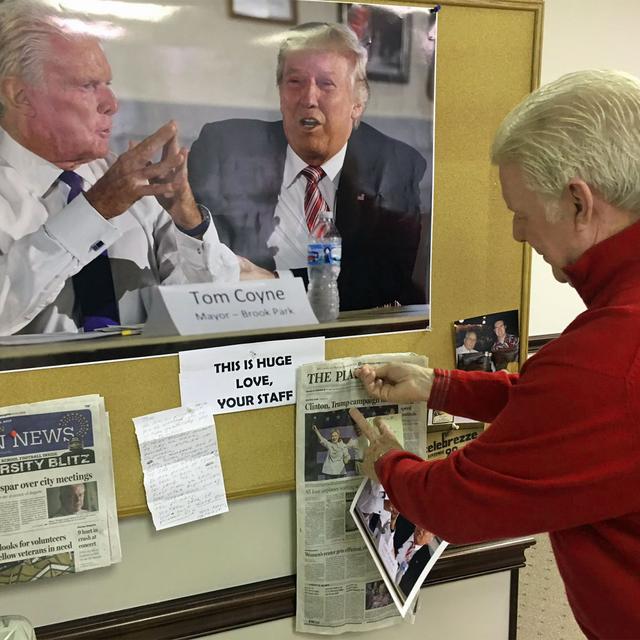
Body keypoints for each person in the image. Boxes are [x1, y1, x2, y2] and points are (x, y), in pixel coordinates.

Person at [348, 69, 640, 638]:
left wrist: (387, 460)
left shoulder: (609, 354)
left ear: (579, 203)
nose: (515, 232)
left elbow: (454, 504)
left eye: (522, 212)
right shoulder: (606, 356)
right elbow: (573, 412)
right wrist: (440, 385)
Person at [0, 0, 265, 336]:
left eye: (106, 84)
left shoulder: (127, 180)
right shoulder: (113, 189)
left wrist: (189, 221)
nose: (111, 104)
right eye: (87, 85)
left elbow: (210, 305)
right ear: (20, 95)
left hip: (148, 381)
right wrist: (95, 210)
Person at [188, 22, 429, 312]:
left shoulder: (394, 165)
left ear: (357, 104)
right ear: (280, 93)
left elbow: (380, 285)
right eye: (295, 82)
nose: (308, 98)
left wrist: (275, 284)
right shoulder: (226, 150)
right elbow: (204, 266)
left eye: (326, 84)